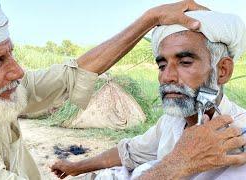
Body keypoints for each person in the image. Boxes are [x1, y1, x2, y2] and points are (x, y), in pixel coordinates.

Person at [0, 0, 210, 179]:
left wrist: (151, 18)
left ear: (222, 69)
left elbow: (71, 74)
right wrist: (176, 166)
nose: (18, 71)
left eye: (10, 54)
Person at [51, 10, 246, 180]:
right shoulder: (172, 122)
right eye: (162, 66)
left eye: (185, 62)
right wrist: (75, 168)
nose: (167, 77)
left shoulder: (240, 135)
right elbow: (131, 152)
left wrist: (177, 164)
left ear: (222, 70)